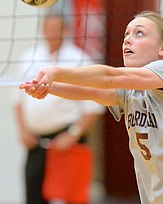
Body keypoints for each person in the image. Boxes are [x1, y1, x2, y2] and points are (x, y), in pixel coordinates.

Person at [20, 11, 163, 204]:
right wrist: (48, 87)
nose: (127, 39)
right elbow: (92, 92)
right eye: (126, 34)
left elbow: (110, 78)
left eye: (139, 33)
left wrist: (56, 71)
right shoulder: (132, 92)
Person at [14, 13, 105, 204]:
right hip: (36, 143)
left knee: (71, 198)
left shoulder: (79, 59)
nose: (52, 33)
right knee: (34, 197)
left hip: (67, 141)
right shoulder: (29, 57)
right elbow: (18, 101)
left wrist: (73, 134)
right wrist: (22, 131)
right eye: (49, 28)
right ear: (43, 30)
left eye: (57, 29)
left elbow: (94, 108)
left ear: (66, 30)